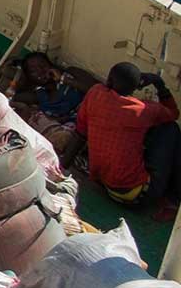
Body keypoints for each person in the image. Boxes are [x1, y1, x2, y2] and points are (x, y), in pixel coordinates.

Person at [76, 61, 180, 212]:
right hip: (138, 197)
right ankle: (174, 198)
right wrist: (159, 84)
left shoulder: (95, 93)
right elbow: (174, 113)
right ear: (137, 86)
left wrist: (63, 166)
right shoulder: (144, 110)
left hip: (106, 186)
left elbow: (80, 132)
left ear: (109, 80)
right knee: (171, 129)